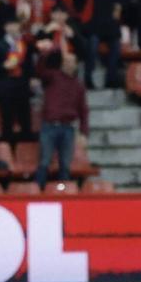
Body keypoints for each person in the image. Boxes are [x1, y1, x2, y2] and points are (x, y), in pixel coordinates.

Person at [34, 50, 87, 189]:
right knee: (44, 161)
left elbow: (83, 110)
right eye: (66, 61)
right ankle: (37, 190)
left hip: (68, 127)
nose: (68, 64)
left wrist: (83, 132)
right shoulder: (53, 76)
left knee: (65, 164)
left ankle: (64, 192)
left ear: (75, 65)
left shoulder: (78, 86)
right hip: (49, 125)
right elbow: (40, 71)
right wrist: (44, 54)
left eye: (71, 62)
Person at [0, 17, 33, 143]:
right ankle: (7, 142)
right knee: (7, 115)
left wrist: (31, 78)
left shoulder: (24, 44)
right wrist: (4, 66)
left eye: (16, 25)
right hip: (5, 84)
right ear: (6, 28)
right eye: (10, 25)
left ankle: (25, 142)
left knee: (24, 114)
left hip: (22, 83)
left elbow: (29, 64)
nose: (14, 28)